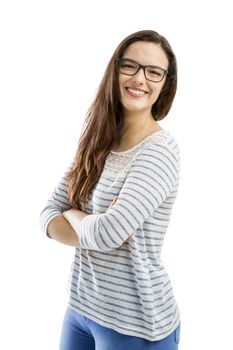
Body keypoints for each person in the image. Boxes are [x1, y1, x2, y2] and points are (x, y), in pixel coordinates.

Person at [40, 29, 181, 350]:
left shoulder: (158, 152)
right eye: (129, 66)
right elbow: (47, 215)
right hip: (81, 307)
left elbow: (106, 235)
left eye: (154, 72)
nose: (140, 79)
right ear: (114, 70)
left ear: (165, 83)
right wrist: (92, 223)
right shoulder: (98, 140)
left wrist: (73, 213)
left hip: (134, 323)